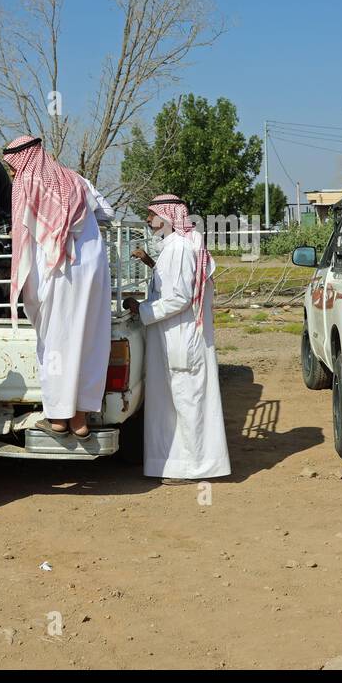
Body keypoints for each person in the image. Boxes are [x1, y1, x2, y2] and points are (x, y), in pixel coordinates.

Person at [2, 135, 114, 438]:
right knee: (87, 340)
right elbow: (108, 212)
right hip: (91, 273)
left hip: (55, 275)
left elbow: (24, 242)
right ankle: (80, 420)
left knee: (55, 344)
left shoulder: (25, 184)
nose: (13, 172)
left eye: (12, 167)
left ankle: (57, 419)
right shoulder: (75, 179)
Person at [121, 195, 230, 484]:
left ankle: (193, 469)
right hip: (173, 337)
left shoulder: (181, 247)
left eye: (152, 214)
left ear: (168, 217)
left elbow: (180, 297)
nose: (148, 220)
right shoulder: (176, 245)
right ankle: (176, 465)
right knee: (175, 403)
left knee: (186, 401)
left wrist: (141, 309)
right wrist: (148, 263)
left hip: (182, 339)